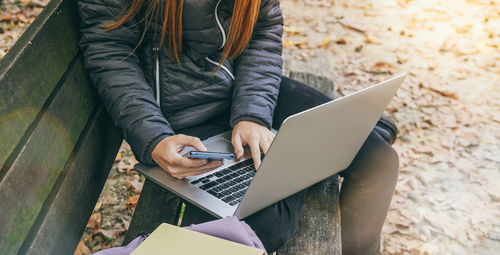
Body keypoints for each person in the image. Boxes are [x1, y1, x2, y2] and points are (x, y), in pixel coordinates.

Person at [78, 0, 399, 254]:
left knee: (378, 160)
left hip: (249, 91)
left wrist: (253, 115)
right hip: (180, 119)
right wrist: (155, 138)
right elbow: (109, 51)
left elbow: (263, 29)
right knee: (266, 225)